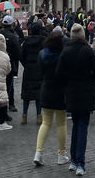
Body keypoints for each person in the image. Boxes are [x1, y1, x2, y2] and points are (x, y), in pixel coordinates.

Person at [56, 22, 95, 176]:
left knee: (75, 126)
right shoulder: (87, 51)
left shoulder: (66, 51)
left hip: (72, 94)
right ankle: (80, 162)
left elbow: (59, 73)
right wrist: (88, 79)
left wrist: (68, 82)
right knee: (82, 127)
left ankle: (74, 160)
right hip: (86, 93)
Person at [34, 29, 69, 166]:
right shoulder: (63, 55)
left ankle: (38, 153)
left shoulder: (42, 54)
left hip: (46, 89)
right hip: (60, 91)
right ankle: (61, 154)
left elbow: (41, 72)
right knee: (61, 123)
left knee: (46, 123)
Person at [20, 21, 44, 125]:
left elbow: (21, 55)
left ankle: (24, 116)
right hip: (39, 67)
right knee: (38, 93)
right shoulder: (43, 41)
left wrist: (26, 64)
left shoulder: (26, 41)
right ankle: (39, 116)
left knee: (26, 93)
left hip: (29, 68)